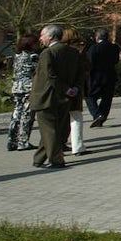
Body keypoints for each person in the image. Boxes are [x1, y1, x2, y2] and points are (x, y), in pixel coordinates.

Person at [29, 23, 82, 169]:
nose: (41, 38)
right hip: (64, 97)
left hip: (47, 96)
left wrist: (66, 89)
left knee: (50, 130)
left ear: (51, 36)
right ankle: (39, 158)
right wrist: (74, 88)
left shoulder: (48, 53)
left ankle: (56, 159)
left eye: (42, 35)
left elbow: (50, 75)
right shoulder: (72, 52)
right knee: (53, 129)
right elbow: (80, 72)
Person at [6, 35, 39, 152]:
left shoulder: (17, 56)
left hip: (17, 87)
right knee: (27, 115)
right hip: (28, 87)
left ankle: (11, 140)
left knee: (16, 114)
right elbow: (38, 71)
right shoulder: (33, 56)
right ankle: (23, 141)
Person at [63, 29, 91, 155]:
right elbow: (85, 68)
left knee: (61, 118)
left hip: (61, 88)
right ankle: (78, 146)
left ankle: (59, 144)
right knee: (76, 117)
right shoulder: (79, 51)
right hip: (76, 87)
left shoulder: (57, 51)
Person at [86, 28, 121, 127]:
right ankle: (102, 116)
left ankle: (97, 114)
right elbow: (116, 60)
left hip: (96, 76)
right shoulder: (114, 47)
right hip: (110, 75)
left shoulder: (94, 48)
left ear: (97, 37)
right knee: (107, 98)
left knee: (90, 96)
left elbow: (90, 62)